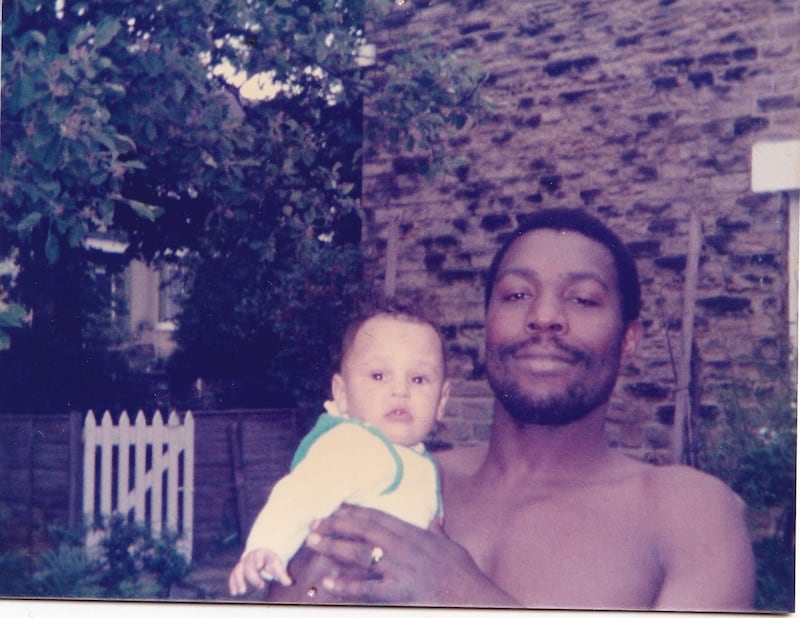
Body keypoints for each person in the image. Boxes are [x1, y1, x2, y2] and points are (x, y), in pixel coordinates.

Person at [267, 207, 756, 610]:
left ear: (629, 341)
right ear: (488, 324)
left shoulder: (686, 514)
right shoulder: (388, 482)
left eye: (583, 299)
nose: (543, 317)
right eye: (517, 295)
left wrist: (468, 597)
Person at [228, 303, 451, 596]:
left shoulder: (415, 460)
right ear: (342, 394)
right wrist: (267, 547)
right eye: (379, 376)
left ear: (442, 400)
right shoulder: (354, 444)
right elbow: (301, 493)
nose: (400, 390)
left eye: (418, 379)